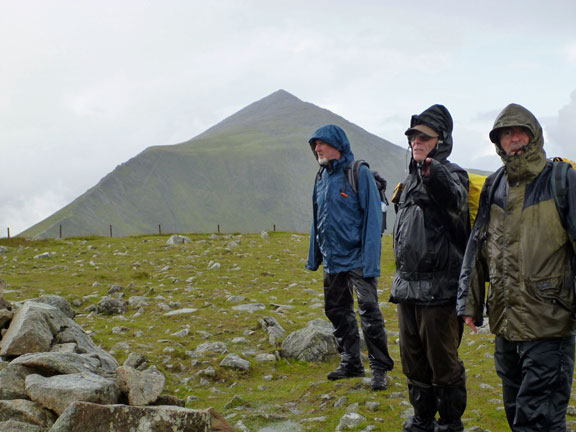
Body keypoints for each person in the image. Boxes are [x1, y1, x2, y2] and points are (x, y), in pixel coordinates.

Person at [457, 103, 576, 431]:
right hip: (505, 324)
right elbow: (478, 246)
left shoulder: (561, 180)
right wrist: (469, 303)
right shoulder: (495, 185)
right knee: (514, 411)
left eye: (519, 131)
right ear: (497, 142)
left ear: (534, 135)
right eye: (505, 133)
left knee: (540, 419)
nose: (513, 139)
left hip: (549, 326)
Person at [390, 105, 468, 432]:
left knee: (444, 367)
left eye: (424, 136)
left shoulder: (450, 174)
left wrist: (431, 170)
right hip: (407, 289)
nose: (415, 140)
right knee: (413, 362)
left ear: (441, 140)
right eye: (412, 135)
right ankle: (422, 420)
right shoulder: (408, 180)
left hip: (439, 292)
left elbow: (454, 198)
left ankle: (449, 424)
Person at [306, 124, 394, 391]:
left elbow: (371, 220)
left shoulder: (359, 173)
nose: (317, 149)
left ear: (338, 145)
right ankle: (351, 362)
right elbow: (317, 218)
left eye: (321, 144)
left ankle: (379, 368)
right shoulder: (321, 178)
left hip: (358, 258)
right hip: (333, 260)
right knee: (336, 310)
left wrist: (370, 261)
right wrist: (315, 257)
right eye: (315, 145)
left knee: (369, 311)